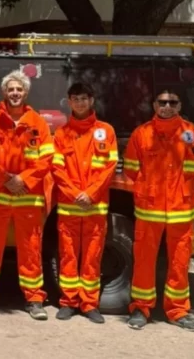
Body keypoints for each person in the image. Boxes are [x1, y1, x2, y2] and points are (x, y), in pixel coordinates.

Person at [0, 70, 54, 320]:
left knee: (31, 249)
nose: (15, 93)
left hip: (28, 196)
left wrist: (22, 180)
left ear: (25, 92)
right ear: (4, 92)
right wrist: (6, 179)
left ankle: (35, 299)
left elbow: (46, 159)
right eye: (11, 89)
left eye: (19, 89)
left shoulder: (37, 122)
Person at [123, 89, 194, 332]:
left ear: (179, 105)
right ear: (154, 104)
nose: (167, 106)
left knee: (179, 263)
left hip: (181, 209)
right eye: (162, 102)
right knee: (143, 261)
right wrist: (148, 187)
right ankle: (140, 308)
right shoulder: (142, 134)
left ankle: (178, 311)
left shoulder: (192, 133)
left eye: (172, 102)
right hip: (149, 209)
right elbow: (130, 168)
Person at [51, 83, 118, 324]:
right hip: (69, 207)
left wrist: (89, 193)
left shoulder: (106, 131)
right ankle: (68, 302)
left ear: (92, 100)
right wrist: (74, 193)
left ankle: (89, 304)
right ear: (69, 102)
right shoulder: (61, 133)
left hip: (95, 206)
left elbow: (109, 168)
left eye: (83, 98)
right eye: (75, 99)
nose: (79, 103)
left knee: (92, 257)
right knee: (68, 255)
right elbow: (56, 169)